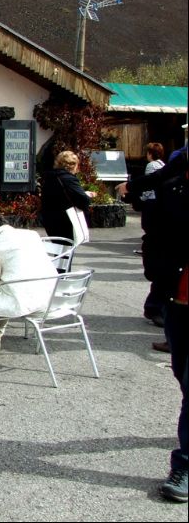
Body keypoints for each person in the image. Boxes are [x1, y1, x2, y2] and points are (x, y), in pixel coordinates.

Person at [117, 146, 188, 503]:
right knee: (182, 374)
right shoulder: (171, 181)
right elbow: (139, 201)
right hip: (177, 296)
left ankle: (185, 463)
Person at [0, 212, 58, 356]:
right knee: (9, 285)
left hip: (23, 300)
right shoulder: (32, 235)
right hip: (51, 297)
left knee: (1, 290)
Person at [40, 150, 96, 243]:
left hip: (50, 218)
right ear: (73, 165)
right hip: (66, 219)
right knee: (67, 249)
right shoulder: (68, 179)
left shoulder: (50, 177)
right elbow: (82, 199)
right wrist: (87, 195)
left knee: (59, 249)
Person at [139, 143, 166, 330]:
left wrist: (140, 199)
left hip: (153, 205)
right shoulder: (164, 164)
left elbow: (148, 186)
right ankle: (155, 307)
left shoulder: (151, 166)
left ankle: (154, 307)